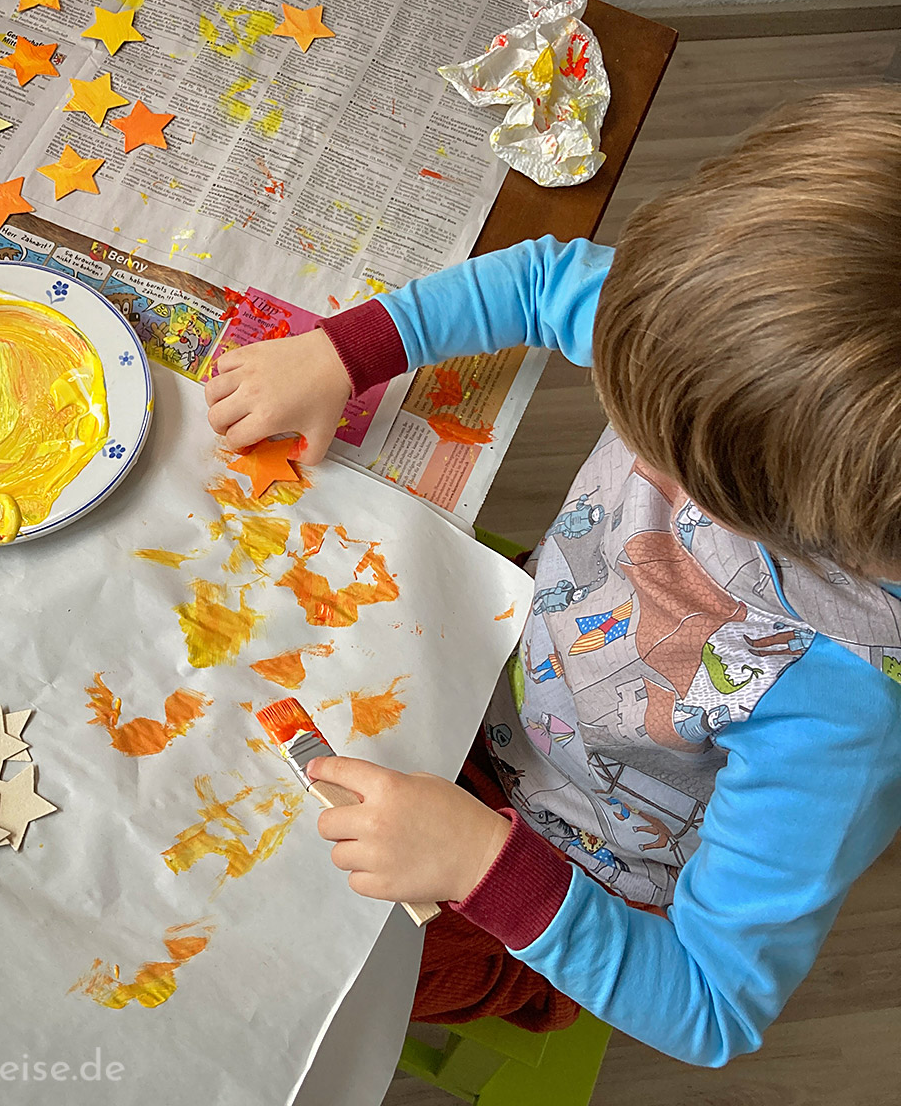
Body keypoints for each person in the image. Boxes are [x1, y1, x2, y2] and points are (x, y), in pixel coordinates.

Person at [203, 88, 901, 1066]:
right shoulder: (728, 325)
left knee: (264, 952)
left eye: (672, 466)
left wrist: (482, 866)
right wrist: (344, 352)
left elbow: (712, 1008)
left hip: (568, 868)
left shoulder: (842, 717)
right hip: (506, 662)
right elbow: (545, 279)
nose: (643, 457)